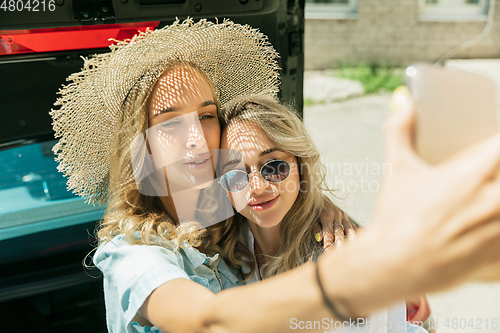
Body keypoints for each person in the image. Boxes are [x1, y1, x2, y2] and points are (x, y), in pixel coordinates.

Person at [50, 18, 500, 333]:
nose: (196, 138)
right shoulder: (132, 255)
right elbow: (207, 323)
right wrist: (371, 271)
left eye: (207, 116)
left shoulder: (217, 208)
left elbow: (270, 189)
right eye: (169, 123)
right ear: (140, 148)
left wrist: (319, 208)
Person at [218, 94, 430, 332]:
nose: (257, 187)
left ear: (300, 164)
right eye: (236, 174)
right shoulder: (218, 256)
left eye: (274, 166)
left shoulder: (347, 267)